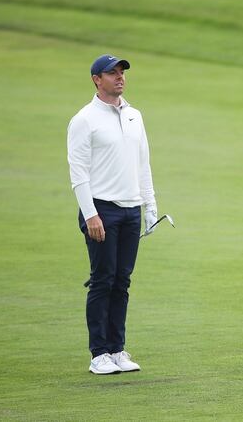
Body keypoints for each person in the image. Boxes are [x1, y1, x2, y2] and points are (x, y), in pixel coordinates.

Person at [67, 54, 159, 374]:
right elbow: (78, 173)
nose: (120, 77)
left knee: (122, 281)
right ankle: (99, 354)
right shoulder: (84, 120)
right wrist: (90, 214)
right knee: (102, 280)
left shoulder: (135, 115)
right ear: (96, 79)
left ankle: (118, 349)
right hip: (101, 208)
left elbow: (142, 163)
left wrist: (150, 205)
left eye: (122, 73)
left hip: (131, 209)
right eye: (112, 73)